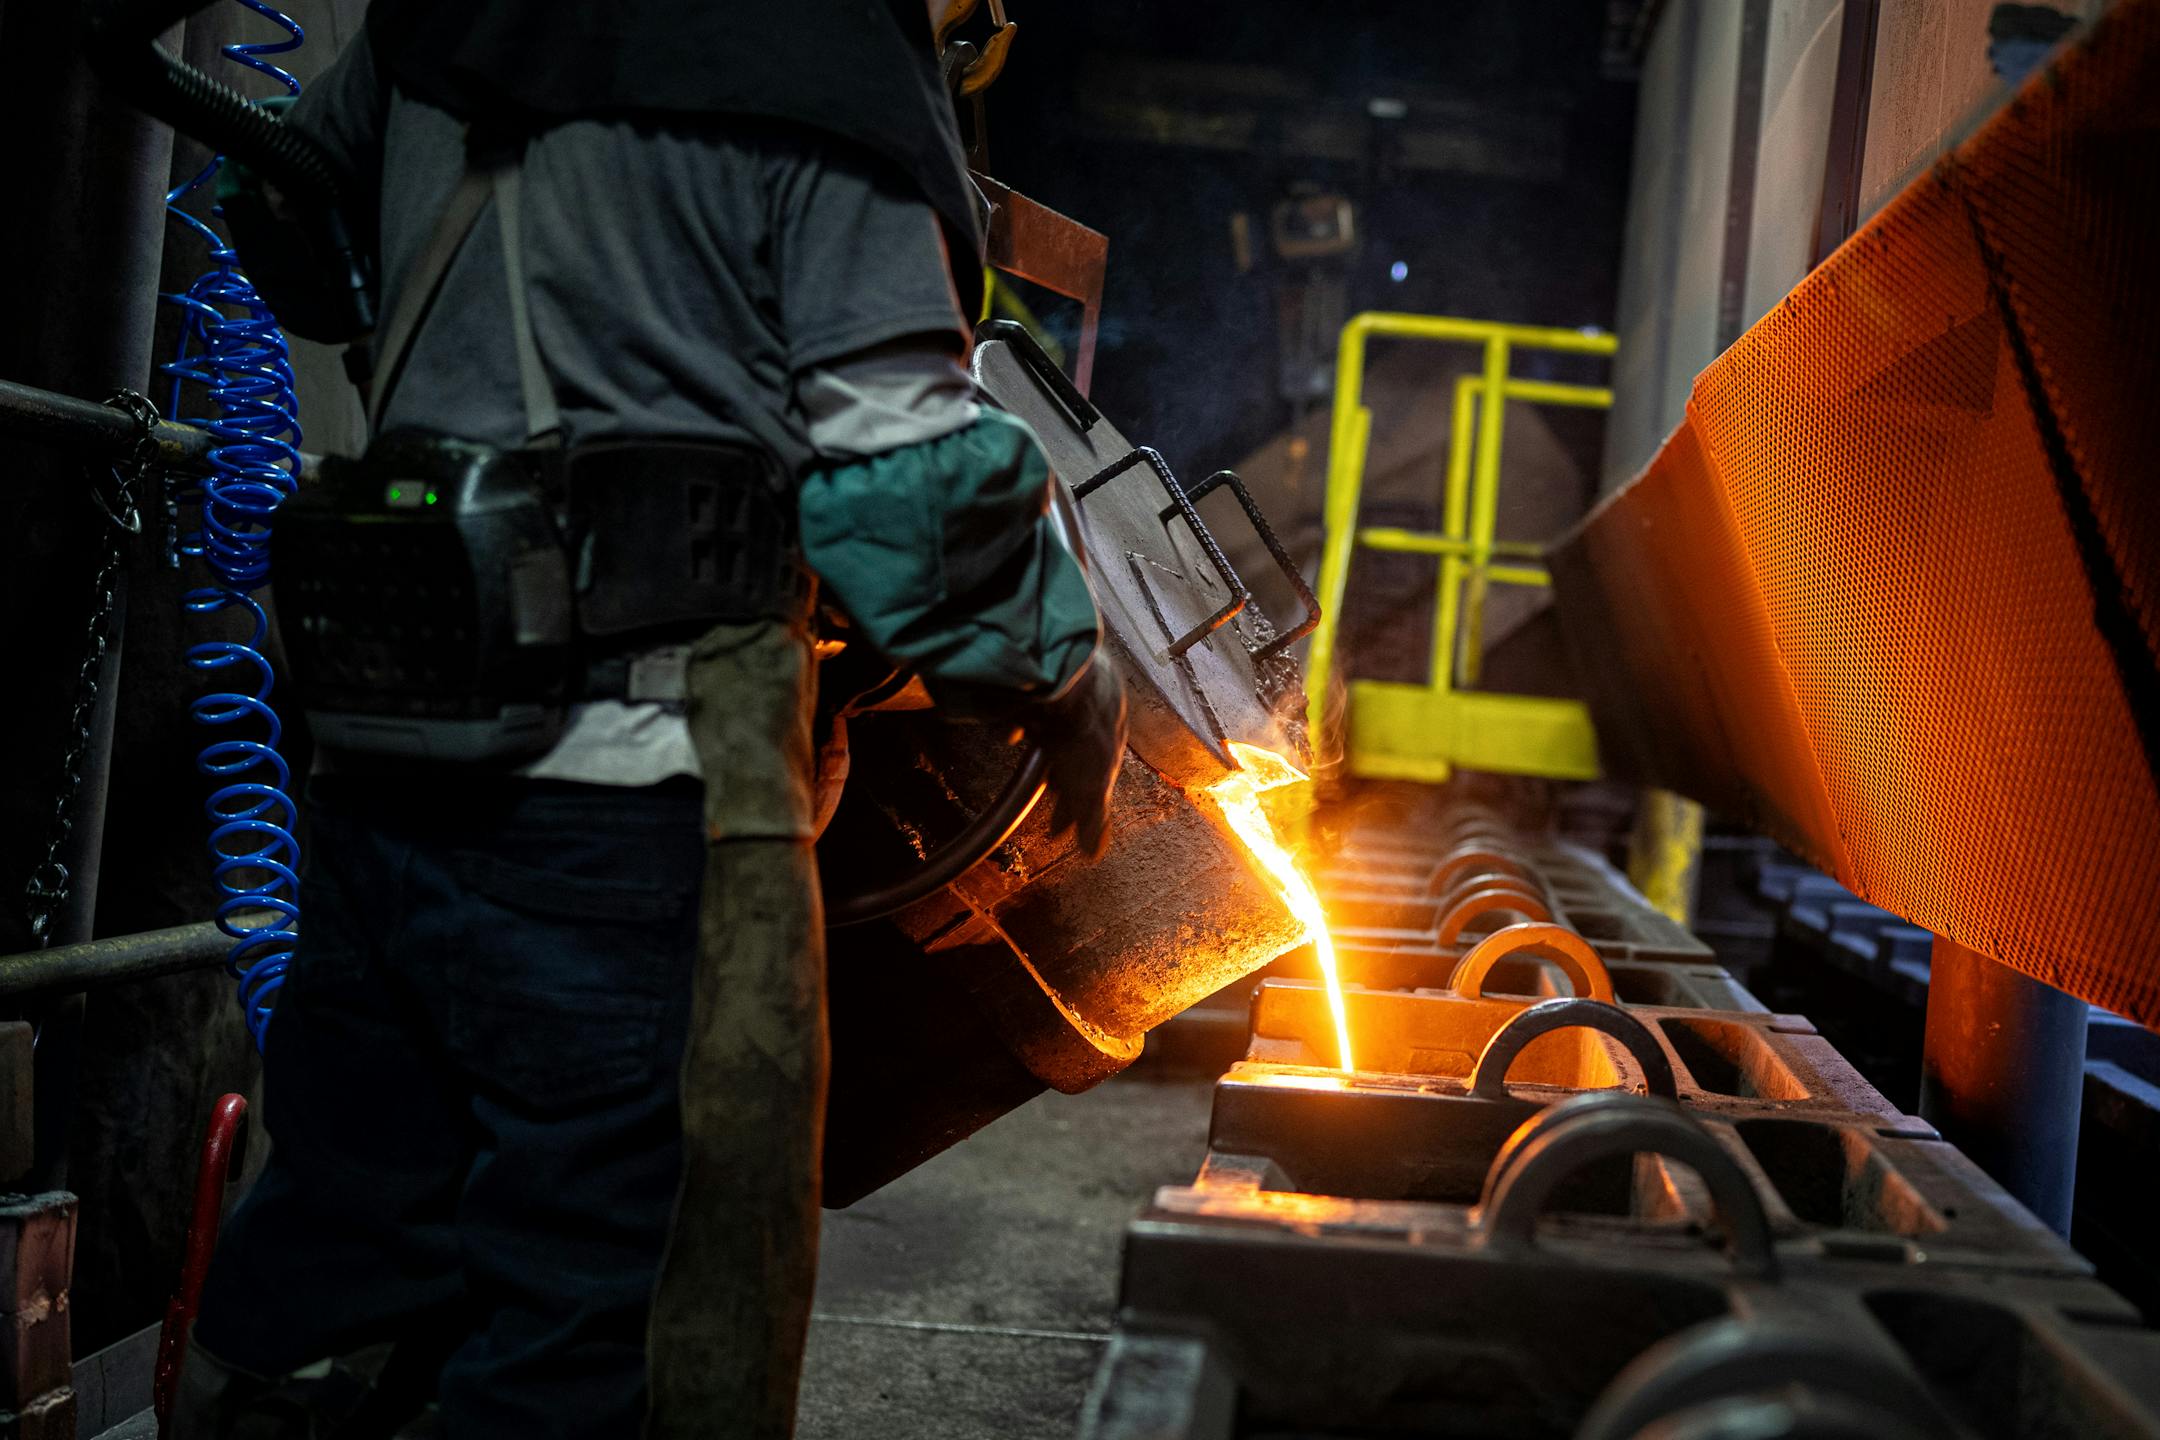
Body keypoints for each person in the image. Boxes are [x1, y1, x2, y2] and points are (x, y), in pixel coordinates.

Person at [169, 2, 1126, 1435]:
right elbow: (902, 487)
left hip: (390, 764)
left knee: (344, 1276)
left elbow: (290, 232)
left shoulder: (445, 19)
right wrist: (1069, 679)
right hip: (628, 802)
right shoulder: (831, 57)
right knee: (599, 1333)